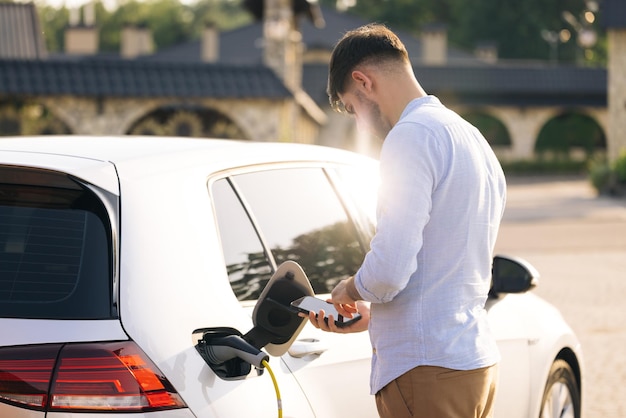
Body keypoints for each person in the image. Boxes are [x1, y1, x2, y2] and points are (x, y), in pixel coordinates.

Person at [304, 23, 506, 418]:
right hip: (474, 360)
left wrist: (350, 288)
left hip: (425, 369)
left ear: (363, 82)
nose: (360, 124)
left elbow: (389, 271)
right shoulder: (472, 138)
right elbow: (446, 265)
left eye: (351, 108)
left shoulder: (409, 136)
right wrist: (373, 313)